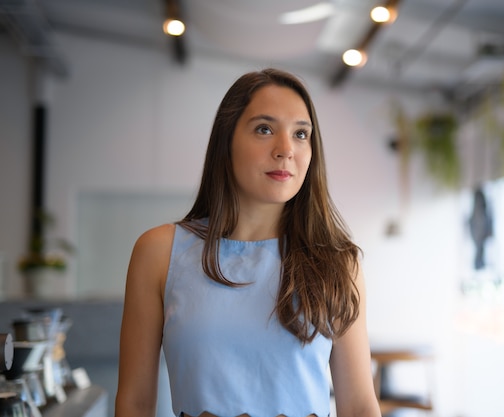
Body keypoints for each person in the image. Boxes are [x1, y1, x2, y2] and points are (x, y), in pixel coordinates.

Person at [114, 68, 382, 417]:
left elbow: (359, 406)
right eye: (264, 129)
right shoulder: (158, 252)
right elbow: (134, 403)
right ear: (226, 142)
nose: (286, 149)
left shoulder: (338, 263)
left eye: (301, 134)